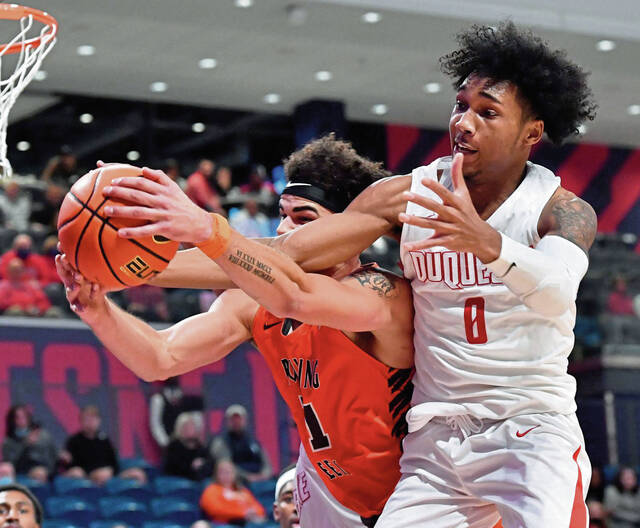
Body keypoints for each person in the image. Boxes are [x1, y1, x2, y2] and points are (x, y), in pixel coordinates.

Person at [102, 21, 597, 527]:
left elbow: (557, 292)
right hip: (435, 436)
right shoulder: (412, 193)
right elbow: (289, 253)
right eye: (460, 105)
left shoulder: (560, 211)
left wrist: (488, 243)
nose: (464, 123)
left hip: (527, 429)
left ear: (532, 132)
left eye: (487, 112)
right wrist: (139, 264)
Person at [58, 136, 417, 527]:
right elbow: (161, 357)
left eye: (304, 219)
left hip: (415, 495)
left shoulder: (383, 295)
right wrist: (98, 310)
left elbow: (293, 291)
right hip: (334, 494)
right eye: (282, 214)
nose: (284, 230)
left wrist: (202, 232)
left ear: (347, 233)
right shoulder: (254, 304)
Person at [64, 405, 146, 485]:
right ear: (81, 421)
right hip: (87, 477)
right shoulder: (74, 441)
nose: (90, 423)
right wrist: (92, 473)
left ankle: (136, 496)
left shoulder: (104, 439)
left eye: (93, 419)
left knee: (138, 473)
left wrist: (110, 471)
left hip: (109, 474)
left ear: (99, 421)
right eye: (86, 419)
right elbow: (72, 466)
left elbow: (114, 462)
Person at [210, 405, 271, 483]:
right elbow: (225, 466)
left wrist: (264, 475)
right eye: (233, 420)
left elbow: (267, 464)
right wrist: (248, 477)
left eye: (239, 419)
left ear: (245, 420)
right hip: (237, 481)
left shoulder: (253, 442)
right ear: (227, 422)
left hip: (260, 480)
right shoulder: (221, 442)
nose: (236, 422)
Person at [2, 405, 59, 482]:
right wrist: (25, 444)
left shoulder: (42, 435)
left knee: (40, 474)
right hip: (21, 473)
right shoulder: (8, 442)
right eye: (17, 417)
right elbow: (10, 464)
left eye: (24, 417)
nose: (22, 420)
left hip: (43, 471)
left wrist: (47, 471)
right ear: (12, 420)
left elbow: (52, 458)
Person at [199, 459, 266, 525]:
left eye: (229, 472)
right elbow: (215, 510)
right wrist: (243, 513)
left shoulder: (242, 491)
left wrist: (254, 513)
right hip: (224, 524)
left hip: (247, 522)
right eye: (223, 472)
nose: (226, 475)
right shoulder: (211, 490)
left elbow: (259, 509)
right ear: (216, 474)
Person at [149, 377, 204, 449]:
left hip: (186, 445)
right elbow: (155, 424)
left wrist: (193, 438)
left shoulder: (185, 399)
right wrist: (167, 444)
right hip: (170, 442)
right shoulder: (158, 399)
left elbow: (197, 419)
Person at [164, 412, 214, 481]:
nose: (189, 429)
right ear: (179, 429)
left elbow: (210, 463)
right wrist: (192, 466)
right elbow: (172, 468)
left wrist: (202, 464)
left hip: (199, 481)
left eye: (191, 426)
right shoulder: (173, 446)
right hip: (178, 481)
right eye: (186, 427)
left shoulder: (200, 446)